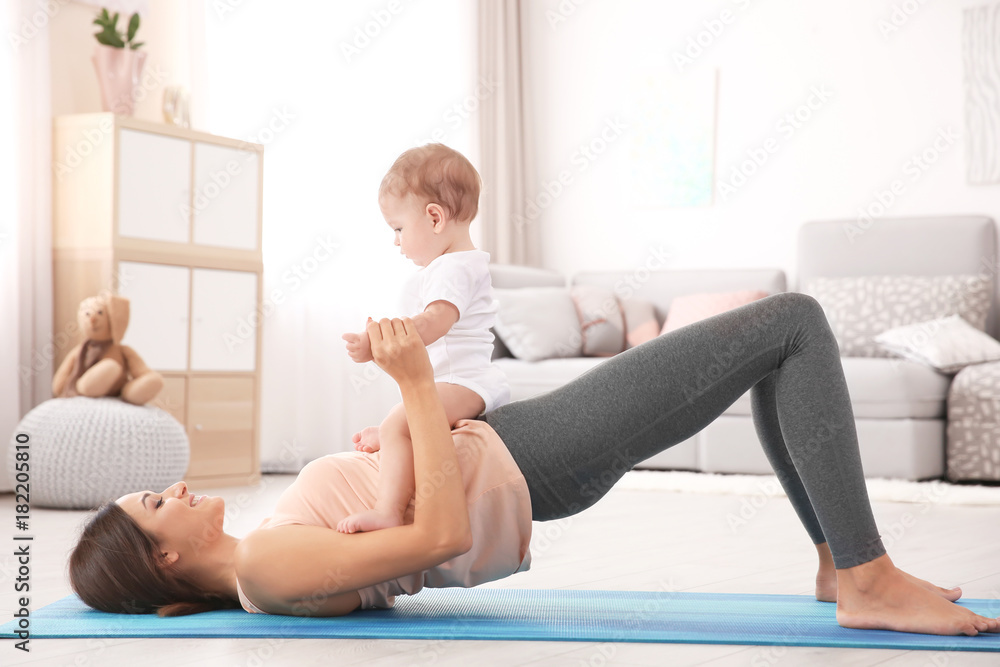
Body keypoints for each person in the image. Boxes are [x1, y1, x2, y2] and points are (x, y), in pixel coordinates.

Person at [70, 296, 1000, 636]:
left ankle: (843, 562)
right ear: (157, 561)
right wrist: (413, 383)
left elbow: (407, 513)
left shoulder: (270, 551)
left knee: (774, 346)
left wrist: (415, 411)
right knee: (792, 322)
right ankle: (867, 576)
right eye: (159, 502)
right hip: (535, 460)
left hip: (519, 443)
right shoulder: (265, 572)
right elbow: (436, 536)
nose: (180, 488)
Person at [337, 144, 509, 534]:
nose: (396, 242)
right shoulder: (455, 265)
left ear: (434, 218)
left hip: (466, 382)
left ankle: (388, 511)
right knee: (404, 419)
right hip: (458, 381)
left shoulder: (452, 269)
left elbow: (435, 321)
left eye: (398, 229)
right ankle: (395, 436)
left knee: (399, 421)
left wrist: (377, 343)